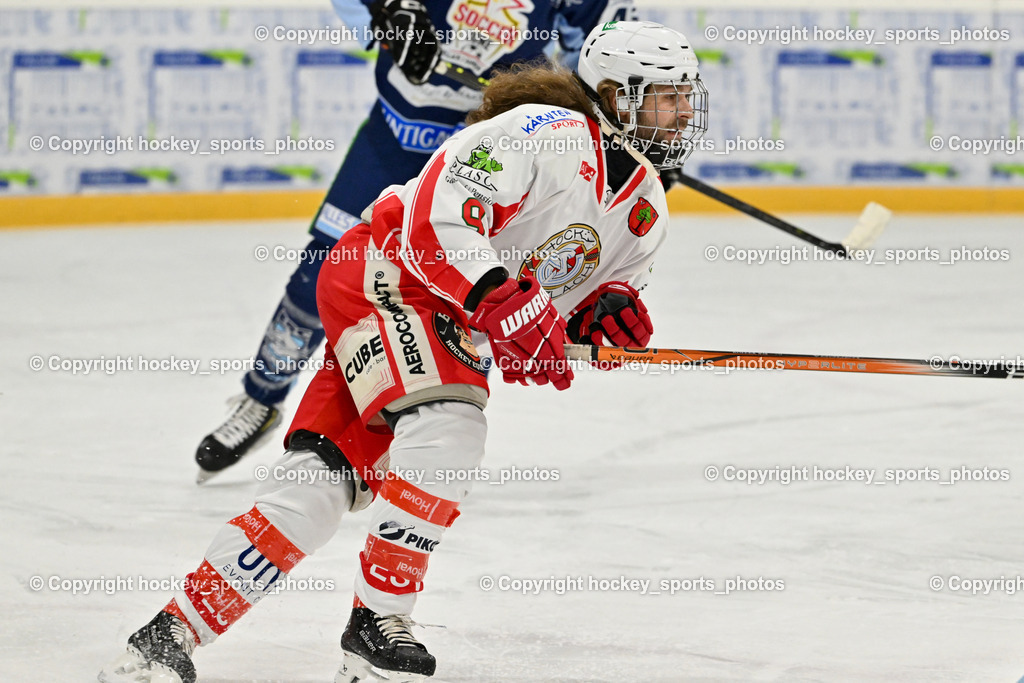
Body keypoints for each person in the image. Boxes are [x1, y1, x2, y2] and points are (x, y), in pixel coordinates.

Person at [100, 20, 708, 683]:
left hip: (433, 322)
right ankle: (378, 620)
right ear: (616, 94)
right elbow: (439, 221)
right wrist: (499, 298)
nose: (682, 110)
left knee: (317, 485)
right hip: (385, 275)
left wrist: (601, 312)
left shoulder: (646, 204)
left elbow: (570, 296)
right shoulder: (540, 132)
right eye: (666, 95)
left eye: (685, 95)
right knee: (450, 425)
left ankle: (168, 633)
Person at [195, 0, 639, 482]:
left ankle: (430, 443)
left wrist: (628, 137)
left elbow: (598, 60)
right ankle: (262, 398)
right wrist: (389, 9)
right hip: (396, 138)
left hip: (495, 149)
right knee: (317, 275)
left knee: (471, 296)